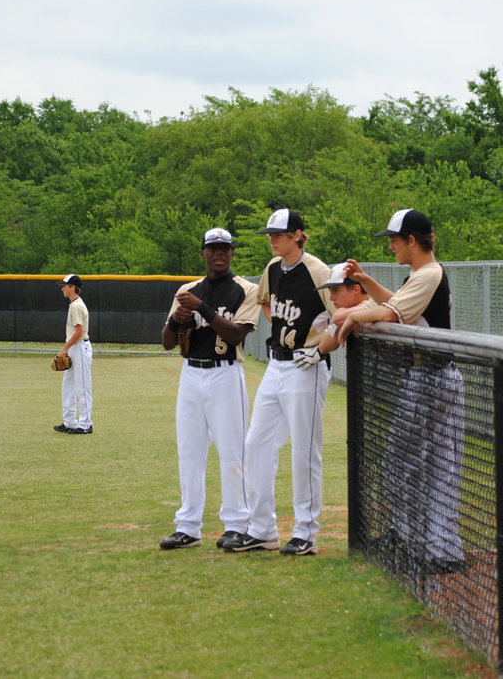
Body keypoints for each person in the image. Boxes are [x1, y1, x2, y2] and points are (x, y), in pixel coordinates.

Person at [340, 209, 467, 573]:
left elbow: (390, 314)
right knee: (428, 465)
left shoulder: (429, 274)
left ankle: (429, 546)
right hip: (431, 376)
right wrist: (367, 283)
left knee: (410, 464)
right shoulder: (423, 275)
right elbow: (396, 304)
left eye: (394, 240)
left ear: (412, 240)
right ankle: (426, 544)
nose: (391, 246)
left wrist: (353, 316)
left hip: (432, 377)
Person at [223, 208, 336, 556]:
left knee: (304, 451)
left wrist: (319, 345)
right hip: (276, 365)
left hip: (307, 367)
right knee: (256, 444)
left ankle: (305, 533)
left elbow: (342, 315)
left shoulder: (319, 271)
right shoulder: (272, 268)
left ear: (297, 235)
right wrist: (281, 327)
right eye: (270, 234)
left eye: (279, 234)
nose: (272, 239)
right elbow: (264, 303)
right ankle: (262, 529)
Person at [158, 228, 261, 551]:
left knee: (232, 453)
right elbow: (167, 342)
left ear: (232, 253)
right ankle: (188, 526)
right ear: (202, 253)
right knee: (189, 451)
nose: (219, 253)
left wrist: (202, 308)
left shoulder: (246, 290)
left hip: (226, 374)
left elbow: (235, 335)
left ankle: (237, 524)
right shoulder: (187, 290)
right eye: (213, 248)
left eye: (224, 248)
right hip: (191, 374)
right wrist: (176, 320)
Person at [54, 274, 93, 434]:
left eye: (65, 285)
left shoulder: (76, 306)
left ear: (73, 287)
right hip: (74, 348)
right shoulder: (73, 305)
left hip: (80, 348)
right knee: (68, 386)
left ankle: (86, 425)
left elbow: (79, 331)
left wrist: (64, 349)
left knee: (82, 387)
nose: (62, 288)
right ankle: (70, 422)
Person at [313, 262, 374, 356]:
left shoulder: (376, 302)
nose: (331, 298)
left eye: (336, 290)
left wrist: (342, 316)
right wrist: (340, 321)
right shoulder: (347, 311)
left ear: (356, 289)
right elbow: (324, 347)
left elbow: (338, 317)